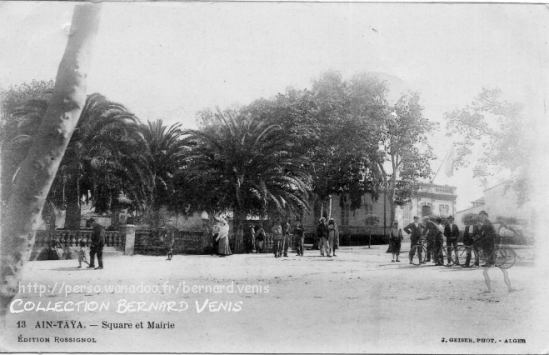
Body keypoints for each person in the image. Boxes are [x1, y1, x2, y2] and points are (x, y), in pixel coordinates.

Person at [477, 211, 515, 292]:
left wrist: (482, 241)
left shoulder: (487, 224)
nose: (482, 217)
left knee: (490, 271)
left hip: (491, 249)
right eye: (480, 216)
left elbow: (491, 236)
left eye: (483, 216)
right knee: (502, 269)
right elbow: (483, 235)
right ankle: (509, 288)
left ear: (486, 216)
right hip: (490, 249)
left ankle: (492, 289)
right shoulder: (486, 224)